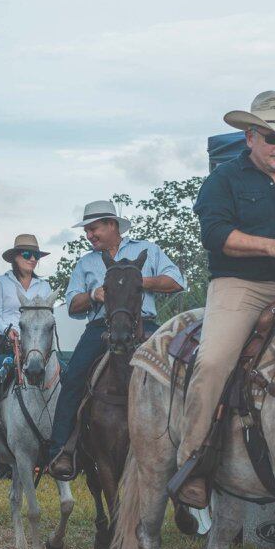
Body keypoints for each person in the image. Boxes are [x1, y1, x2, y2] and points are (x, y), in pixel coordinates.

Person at [171, 90, 275, 507]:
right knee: (213, 363)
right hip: (241, 285)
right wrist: (271, 246)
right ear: (250, 137)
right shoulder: (225, 179)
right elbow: (215, 235)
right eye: (272, 137)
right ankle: (193, 462)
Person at [46, 202, 184, 480]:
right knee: (73, 378)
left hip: (143, 325)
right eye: (87, 231)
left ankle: (189, 447)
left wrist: (138, 281)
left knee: (180, 372)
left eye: (93, 229)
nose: (89, 236)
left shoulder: (147, 249)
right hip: (101, 327)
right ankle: (63, 450)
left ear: (112, 225)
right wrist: (93, 295)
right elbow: (72, 305)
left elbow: (176, 281)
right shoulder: (85, 263)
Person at [0, 233, 56, 476]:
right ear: (15, 257)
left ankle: (63, 444)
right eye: (27, 254)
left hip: (38, 347)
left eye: (35, 255)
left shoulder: (45, 286)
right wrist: (9, 330)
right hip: (6, 345)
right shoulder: (0, 283)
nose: (32, 259)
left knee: (65, 380)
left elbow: (48, 317)